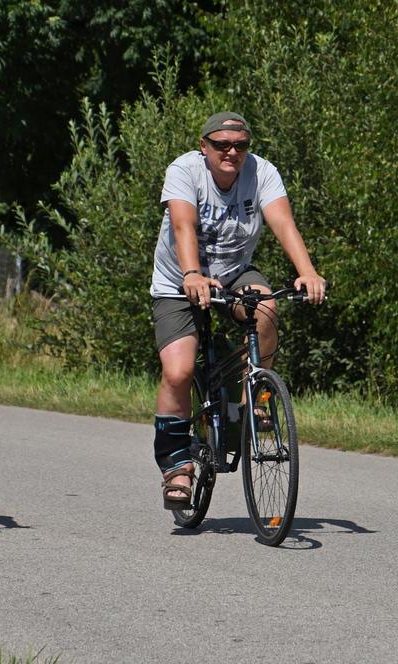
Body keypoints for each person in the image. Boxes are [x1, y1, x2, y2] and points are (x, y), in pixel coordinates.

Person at [150, 111, 326, 510]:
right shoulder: (185, 170)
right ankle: (176, 466)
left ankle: (254, 402)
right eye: (222, 145)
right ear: (204, 146)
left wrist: (308, 273)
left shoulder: (262, 172)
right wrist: (192, 273)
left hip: (232, 273)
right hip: (180, 279)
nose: (232, 152)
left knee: (266, 308)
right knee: (178, 370)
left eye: (241, 145)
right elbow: (183, 225)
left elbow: (283, 223)